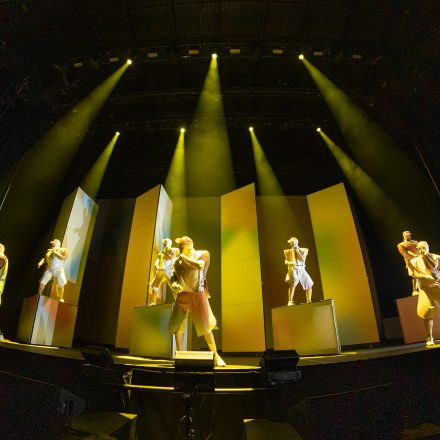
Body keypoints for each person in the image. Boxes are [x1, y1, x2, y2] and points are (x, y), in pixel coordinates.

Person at [168, 236, 225, 367]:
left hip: (197, 293)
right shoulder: (178, 260)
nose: (184, 249)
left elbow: (199, 266)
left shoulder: (201, 254)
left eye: (186, 247)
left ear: (192, 245)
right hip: (183, 293)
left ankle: (215, 355)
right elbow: (173, 275)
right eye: (182, 247)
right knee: (178, 326)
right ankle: (179, 355)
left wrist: (183, 257)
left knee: (206, 326)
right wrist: (174, 284)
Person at [410, 241, 440, 347]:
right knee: (427, 311)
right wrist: (415, 289)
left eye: (424, 247)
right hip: (425, 288)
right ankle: (429, 337)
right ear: (417, 249)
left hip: (437, 286)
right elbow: (414, 275)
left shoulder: (436, 257)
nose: (422, 249)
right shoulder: (414, 261)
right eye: (420, 248)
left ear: (428, 247)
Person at [148, 238, 179, 306]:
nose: (165, 244)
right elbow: (158, 260)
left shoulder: (173, 250)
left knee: (174, 286)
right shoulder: (161, 252)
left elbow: (172, 259)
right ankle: (153, 301)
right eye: (164, 243)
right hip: (161, 270)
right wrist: (157, 266)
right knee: (155, 286)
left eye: (166, 242)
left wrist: (164, 253)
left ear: (169, 243)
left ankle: (178, 303)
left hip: (169, 270)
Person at [284, 237, 313, 305]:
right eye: (291, 243)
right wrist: (290, 263)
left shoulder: (304, 250)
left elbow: (302, 259)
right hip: (293, 268)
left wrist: (297, 250)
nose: (292, 244)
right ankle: (290, 301)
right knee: (294, 282)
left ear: (297, 243)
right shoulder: (287, 251)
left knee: (309, 284)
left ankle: (309, 301)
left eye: (293, 243)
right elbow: (286, 261)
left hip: (301, 269)